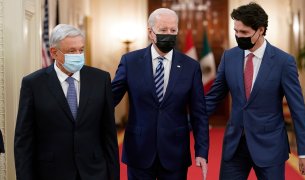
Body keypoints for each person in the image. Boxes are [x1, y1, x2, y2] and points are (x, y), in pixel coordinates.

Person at [205, 2, 305, 179]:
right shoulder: (229, 57)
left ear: (261, 30)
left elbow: (298, 109)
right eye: (236, 31)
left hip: (270, 146)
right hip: (235, 146)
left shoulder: (283, 62)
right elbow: (213, 97)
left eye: (244, 32)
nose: (239, 36)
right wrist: (187, 120)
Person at [112, 8, 209, 180]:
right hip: (139, 151)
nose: (169, 34)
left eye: (173, 30)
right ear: (151, 32)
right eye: (163, 30)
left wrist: (201, 151)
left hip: (175, 152)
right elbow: (110, 99)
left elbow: (199, 114)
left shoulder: (191, 66)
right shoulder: (130, 62)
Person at [14, 24, 119, 180]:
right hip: (51, 173)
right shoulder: (33, 84)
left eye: (81, 50)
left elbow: (109, 134)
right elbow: (24, 140)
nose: (78, 54)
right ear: (54, 53)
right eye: (71, 51)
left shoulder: (101, 79)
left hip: (94, 171)